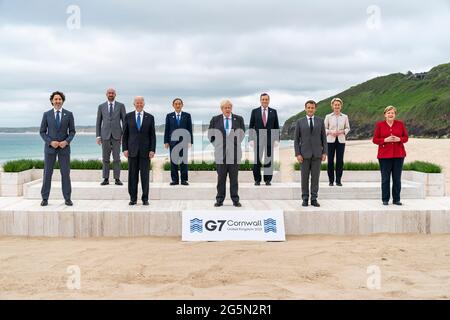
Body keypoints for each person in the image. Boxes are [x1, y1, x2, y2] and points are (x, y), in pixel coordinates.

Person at [39, 91, 76, 206]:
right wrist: (50, 142)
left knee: (65, 173)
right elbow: (42, 131)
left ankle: (67, 198)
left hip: (64, 149)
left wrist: (66, 141)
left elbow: (72, 131)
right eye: (55, 99)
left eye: (60, 99)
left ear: (62, 101)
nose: (58, 101)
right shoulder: (46, 114)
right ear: (52, 101)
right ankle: (45, 198)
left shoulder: (69, 114)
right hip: (50, 149)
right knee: (47, 174)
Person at [208, 99, 245, 207]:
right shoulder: (215, 119)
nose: (227, 109)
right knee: (221, 179)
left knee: (234, 179)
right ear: (222, 109)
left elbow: (242, 133)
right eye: (225, 107)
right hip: (220, 154)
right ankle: (219, 200)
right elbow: (211, 135)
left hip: (234, 153)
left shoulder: (239, 119)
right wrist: (218, 145)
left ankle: (235, 200)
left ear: (231, 108)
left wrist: (234, 143)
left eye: (229, 107)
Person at [122, 96, 156, 206]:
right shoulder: (128, 116)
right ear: (134, 104)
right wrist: (125, 149)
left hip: (145, 152)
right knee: (132, 176)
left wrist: (152, 150)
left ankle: (145, 198)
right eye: (137, 103)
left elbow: (152, 135)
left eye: (141, 103)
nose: (139, 104)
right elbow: (125, 135)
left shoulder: (150, 117)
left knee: (145, 177)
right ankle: (133, 198)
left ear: (144, 104)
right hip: (132, 151)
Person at [372, 106, 408, 206]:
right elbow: (375, 140)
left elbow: (406, 138)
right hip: (384, 156)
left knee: (397, 178)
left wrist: (399, 139)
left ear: (395, 114)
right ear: (385, 114)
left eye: (392, 113)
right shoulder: (380, 125)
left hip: (399, 155)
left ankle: (396, 199)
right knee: (385, 179)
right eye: (388, 113)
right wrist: (384, 140)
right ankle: (385, 199)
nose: (390, 114)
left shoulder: (400, 124)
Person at [294, 100, 328, 207]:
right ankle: (305, 198)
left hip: (317, 154)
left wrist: (325, 152)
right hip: (304, 155)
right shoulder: (300, 122)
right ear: (305, 108)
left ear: (315, 109)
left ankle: (314, 199)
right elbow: (296, 140)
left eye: (312, 108)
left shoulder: (320, 121)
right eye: (308, 107)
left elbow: (324, 138)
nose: (310, 109)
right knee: (304, 178)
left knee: (315, 178)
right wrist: (297, 154)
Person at [96, 88, 127, 186]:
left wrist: (124, 136)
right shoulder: (101, 106)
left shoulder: (121, 106)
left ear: (115, 94)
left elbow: (124, 122)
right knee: (105, 158)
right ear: (106, 94)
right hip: (105, 135)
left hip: (117, 136)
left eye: (112, 93)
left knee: (117, 158)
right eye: (109, 93)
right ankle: (105, 179)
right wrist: (98, 136)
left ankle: (117, 179)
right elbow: (98, 122)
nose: (111, 94)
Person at [248, 93, 280, 186]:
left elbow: (276, 126)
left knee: (268, 160)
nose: (265, 101)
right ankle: (257, 180)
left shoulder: (273, 112)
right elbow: (251, 126)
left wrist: (277, 139)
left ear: (269, 100)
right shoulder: (255, 111)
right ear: (260, 100)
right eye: (263, 99)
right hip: (257, 139)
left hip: (270, 139)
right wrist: (251, 139)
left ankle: (267, 180)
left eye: (266, 99)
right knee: (257, 160)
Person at [163, 98, 193, 186]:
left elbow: (189, 129)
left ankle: (184, 180)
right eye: (176, 104)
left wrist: (190, 141)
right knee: (173, 162)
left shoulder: (187, 115)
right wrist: (166, 141)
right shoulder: (169, 116)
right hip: (172, 142)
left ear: (182, 105)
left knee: (184, 162)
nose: (177, 105)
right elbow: (167, 129)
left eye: (179, 103)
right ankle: (175, 180)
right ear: (173, 105)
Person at [324, 98, 350, 186]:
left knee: (340, 161)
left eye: (338, 105)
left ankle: (338, 180)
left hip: (341, 140)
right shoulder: (328, 116)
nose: (337, 106)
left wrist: (342, 132)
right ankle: (331, 181)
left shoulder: (345, 116)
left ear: (341, 106)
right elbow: (324, 128)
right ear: (332, 106)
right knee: (330, 161)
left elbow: (348, 128)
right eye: (335, 105)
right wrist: (331, 132)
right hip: (330, 140)